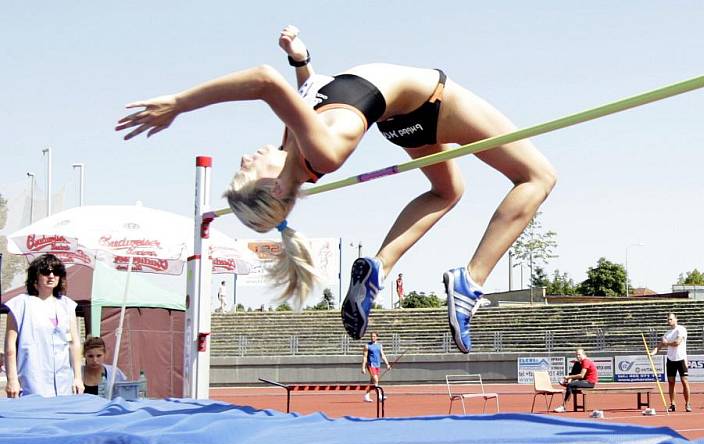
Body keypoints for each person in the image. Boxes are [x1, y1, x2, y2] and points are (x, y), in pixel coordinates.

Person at [116, 25, 557, 354]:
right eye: (246, 169)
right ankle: (471, 282)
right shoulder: (319, 151)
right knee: (537, 177)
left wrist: (301, 59)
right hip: (431, 102)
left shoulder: (298, 145)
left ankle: (379, 268)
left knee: (447, 191)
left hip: (399, 119)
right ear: (271, 186)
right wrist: (179, 103)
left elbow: (311, 91)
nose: (246, 157)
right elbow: (264, 81)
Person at [3, 254, 83, 397]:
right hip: (33, 380)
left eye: (56, 272)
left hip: (64, 381)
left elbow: (73, 343)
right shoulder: (20, 305)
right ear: (36, 276)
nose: (52, 276)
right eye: (46, 272)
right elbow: (10, 347)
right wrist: (12, 379)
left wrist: (77, 377)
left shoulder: (67, 305)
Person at [651, 312, 691, 412]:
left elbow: (677, 342)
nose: (669, 321)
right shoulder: (667, 334)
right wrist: (653, 352)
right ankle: (672, 404)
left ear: (676, 319)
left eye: (671, 319)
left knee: (684, 381)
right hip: (671, 360)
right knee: (671, 382)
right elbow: (659, 346)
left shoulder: (681, 329)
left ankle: (687, 404)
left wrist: (666, 343)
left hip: (681, 359)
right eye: (668, 319)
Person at [554, 348, 597, 413]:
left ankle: (563, 406)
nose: (577, 356)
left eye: (579, 354)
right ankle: (568, 385)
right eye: (576, 355)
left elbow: (581, 375)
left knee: (570, 385)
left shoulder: (586, 361)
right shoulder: (581, 362)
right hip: (585, 381)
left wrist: (569, 377)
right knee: (570, 384)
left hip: (590, 382)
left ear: (584, 354)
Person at [361, 331, 391, 402]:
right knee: (376, 379)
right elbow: (364, 357)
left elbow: (382, 355)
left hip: (377, 365)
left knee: (372, 382)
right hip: (371, 365)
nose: (372, 338)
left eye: (374, 336)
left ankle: (366, 396)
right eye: (371, 336)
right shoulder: (367, 346)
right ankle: (380, 396)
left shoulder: (379, 346)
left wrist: (387, 364)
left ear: (377, 337)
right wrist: (363, 367)